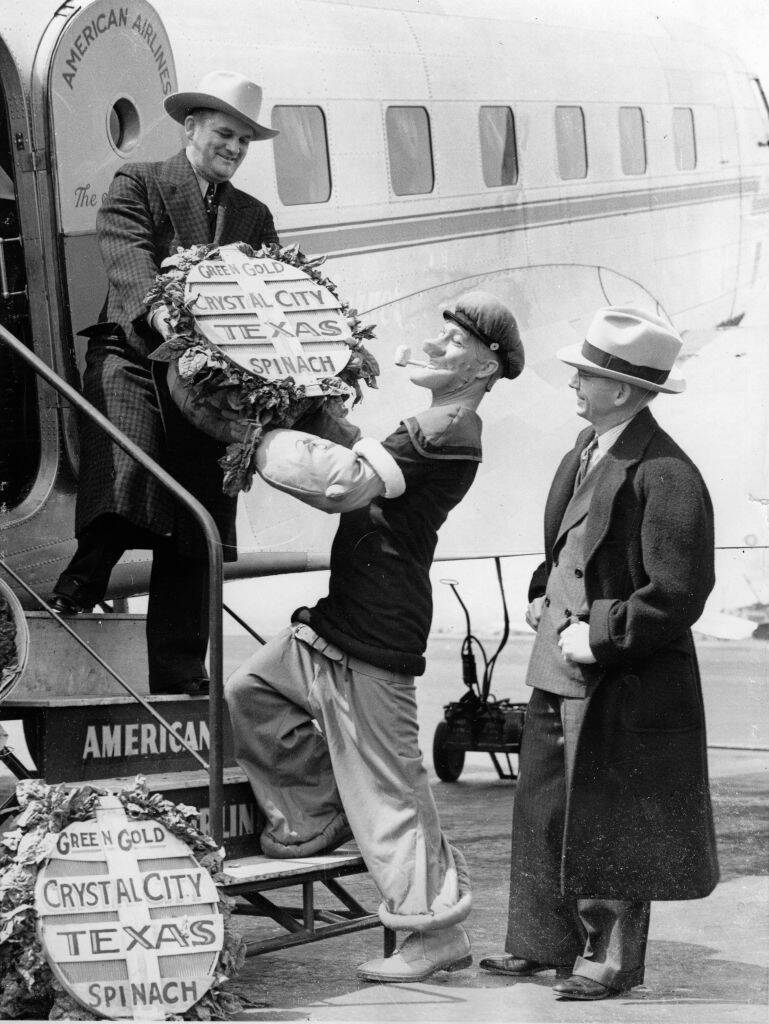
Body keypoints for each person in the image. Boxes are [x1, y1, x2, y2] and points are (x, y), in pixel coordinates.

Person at [225, 292, 525, 982]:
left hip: (377, 628)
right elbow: (357, 458)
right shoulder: (429, 419)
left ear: (484, 368)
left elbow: (348, 485)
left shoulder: (450, 425)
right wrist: (320, 418)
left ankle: (433, 933)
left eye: (455, 342)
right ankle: (315, 818)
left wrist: (261, 436)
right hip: (340, 617)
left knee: (388, 788)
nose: (438, 346)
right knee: (255, 694)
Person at [480, 306, 719, 1000]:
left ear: (618, 388)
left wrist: (598, 634)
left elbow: (677, 593)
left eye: (583, 375)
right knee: (543, 807)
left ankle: (606, 959)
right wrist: (539, 593)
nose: (574, 385)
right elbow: (568, 546)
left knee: (610, 817)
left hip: (617, 678)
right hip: (559, 669)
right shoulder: (585, 449)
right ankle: (540, 945)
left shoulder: (667, 472)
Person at [49, 71, 279, 695]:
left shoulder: (253, 216)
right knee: (133, 457)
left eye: (244, 141)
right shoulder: (140, 182)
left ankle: (180, 676)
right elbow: (129, 264)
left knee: (196, 517)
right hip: (135, 353)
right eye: (224, 134)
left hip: (209, 382)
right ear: (191, 129)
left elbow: (275, 297)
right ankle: (86, 574)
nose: (233, 148)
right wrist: (171, 317)